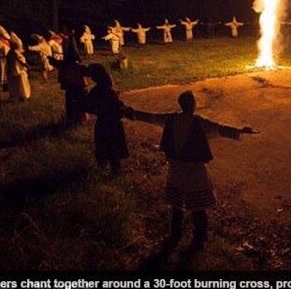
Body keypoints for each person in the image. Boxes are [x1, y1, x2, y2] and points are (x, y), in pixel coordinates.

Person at [127, 91, 259, 255]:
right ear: (193, 105)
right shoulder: (199, 122)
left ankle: (175, 236)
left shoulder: (171, 119)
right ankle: (199, 239)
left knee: (177, 207)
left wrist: (130, 113)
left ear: (180, 104)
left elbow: (150, 117)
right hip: (195, 172)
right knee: (199, 208)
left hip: (176, 170)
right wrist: (241, 130)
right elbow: (219, 129)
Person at [83, 64, 129, 175]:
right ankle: (116, 170)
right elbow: (118, 107)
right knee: (114, 148)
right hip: (114, 123)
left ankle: (103, 169)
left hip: (103, 123)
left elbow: (88, 108)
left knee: (103, 145)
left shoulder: (96, 91)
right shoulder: (111, 91)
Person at [50, 38, 88, 126]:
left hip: (76, 87)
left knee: (77, 103)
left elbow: (57, 63)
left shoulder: (74, 66)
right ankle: (74, 118)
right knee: (74, 103)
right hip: (74, 87)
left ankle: (78, 119)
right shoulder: (69, 65)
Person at [4, 32, 31, 101]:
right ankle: (23, 96)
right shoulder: (14, 52)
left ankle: (17, 96)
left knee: (15, 83)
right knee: (21, 83)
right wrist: (25, 64)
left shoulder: (11, 51)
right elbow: (20, 59)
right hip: (17, 70)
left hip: (13, 70)